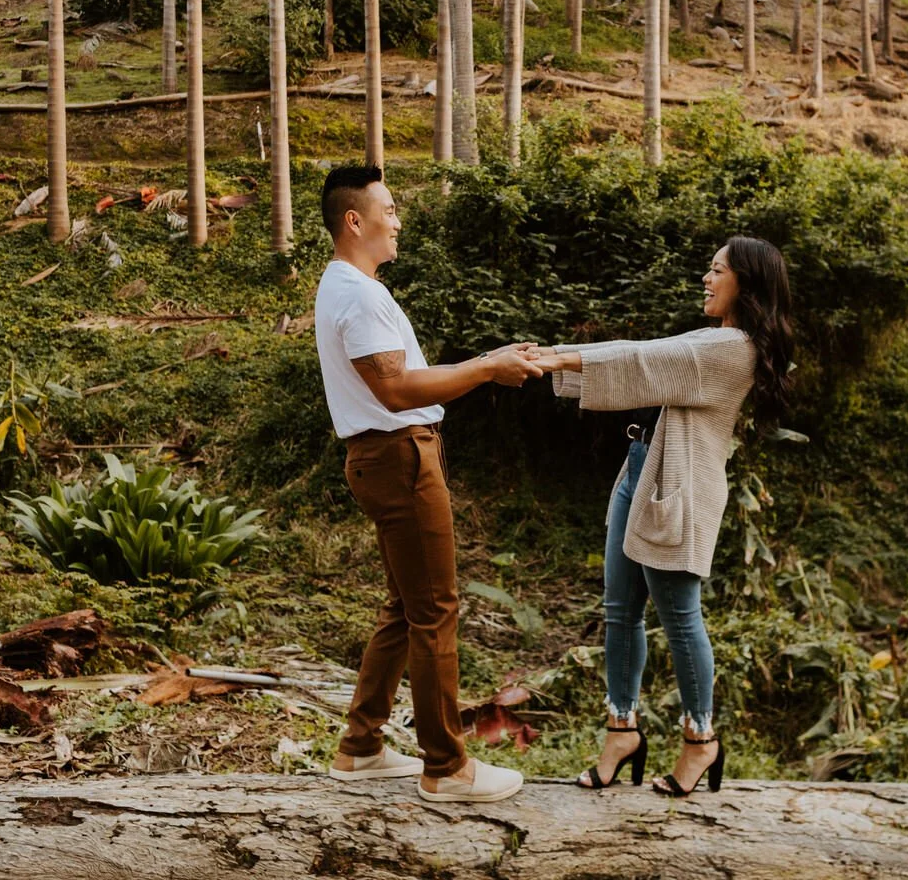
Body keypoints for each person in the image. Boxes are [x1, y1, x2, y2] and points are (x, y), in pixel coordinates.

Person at [536, 236, 794, 798]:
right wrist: (553, 355)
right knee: (620, 609)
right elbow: (644, 352)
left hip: (679, 490)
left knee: (680, 616)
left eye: (716, 269)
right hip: (642, 474)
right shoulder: (712, 338)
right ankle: (621, 731)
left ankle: (701, 741)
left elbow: (642, 359)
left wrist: (554, 357)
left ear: (745, 282)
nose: (706, 277)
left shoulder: (733, 349)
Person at [314, 164, 541, 804]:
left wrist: (489, 363)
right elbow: (394, 389)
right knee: (436, 609)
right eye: (389, 208)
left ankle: (360, 747)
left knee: (405, 605)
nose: (398, 218)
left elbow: (399, 381)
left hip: (389, 457)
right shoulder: (357, 295)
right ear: (355, 221)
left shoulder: (349, 287)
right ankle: (446, 767)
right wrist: (485, 368)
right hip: (399, 459)